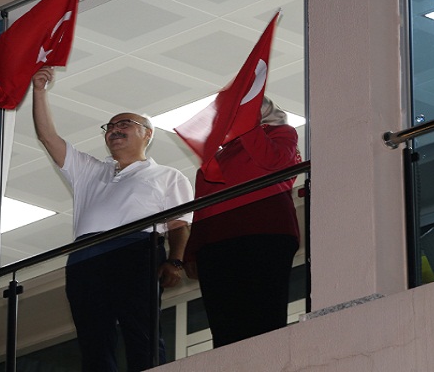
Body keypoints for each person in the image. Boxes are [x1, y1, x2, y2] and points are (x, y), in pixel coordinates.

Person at [30, 66, 193, 371]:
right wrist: (40, 91)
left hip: (137, 250)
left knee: (141, 330)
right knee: (93, 337)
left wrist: (176, 260)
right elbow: (47, 136)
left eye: (125, 124)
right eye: (109, 126)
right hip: (86, 255)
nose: (114, 129)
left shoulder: (167, 175)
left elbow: (179, 224)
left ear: (148, 133)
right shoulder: (90, 170)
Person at [183, 96, 301, 348]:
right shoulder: (214, 157)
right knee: (224, 327)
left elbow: (273, 161)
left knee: (264, 320)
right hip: (215, 244)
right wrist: (192, 251)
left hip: (264, 234)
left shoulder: (282, 133)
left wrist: (248, 127)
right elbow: (202, 206)